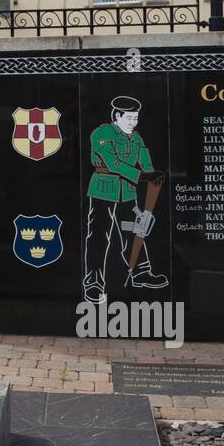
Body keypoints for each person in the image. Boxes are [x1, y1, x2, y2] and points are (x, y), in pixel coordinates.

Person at [83, 95, 168, 303]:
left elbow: (145, 162)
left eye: (136, 118)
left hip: (127, 192)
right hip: (104, 188)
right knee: (99, 234)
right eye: (129, 118)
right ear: (117, 115)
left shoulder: (136, 137)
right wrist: (143, 176)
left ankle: (140, 272)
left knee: (133, 229)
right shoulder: (102, 133)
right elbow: (113, 164)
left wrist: (153, 174)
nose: (134, 123)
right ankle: (93, 281)